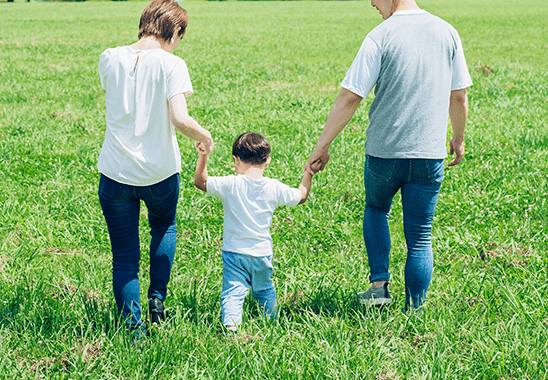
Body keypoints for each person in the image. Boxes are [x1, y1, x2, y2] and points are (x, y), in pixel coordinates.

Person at [305, 0, 472, 311]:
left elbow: (350, 96)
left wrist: (322, 146)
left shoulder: (380, 36)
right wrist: (458, 138)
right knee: (421, 237)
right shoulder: (447, 32)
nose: (371, 2)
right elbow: (459, 95)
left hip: (385, 155)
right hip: (429, 155)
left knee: (376, 209)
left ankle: (379, 288)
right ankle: (415, 309)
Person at [97, 0, 214, 339]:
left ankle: (134, 332)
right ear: (175, 31)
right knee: (163, 228)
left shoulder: (109, 57)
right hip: (160, 174)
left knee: (124, 256)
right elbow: (179, 118)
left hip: (115, 173)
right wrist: (204, 136)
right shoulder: (172, 64)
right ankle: (157, 299)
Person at [195, 132, 320, 333]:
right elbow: (302, 196)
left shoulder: (230, 184)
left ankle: (232, 330)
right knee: (264, 291)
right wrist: (309, 173)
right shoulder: (273, 187)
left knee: (233, 293)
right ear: (267, 161)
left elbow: (201, 182)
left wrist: (203, 156)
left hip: (235, 252)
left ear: (236, 159)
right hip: (262, 253)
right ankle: (271, 325)